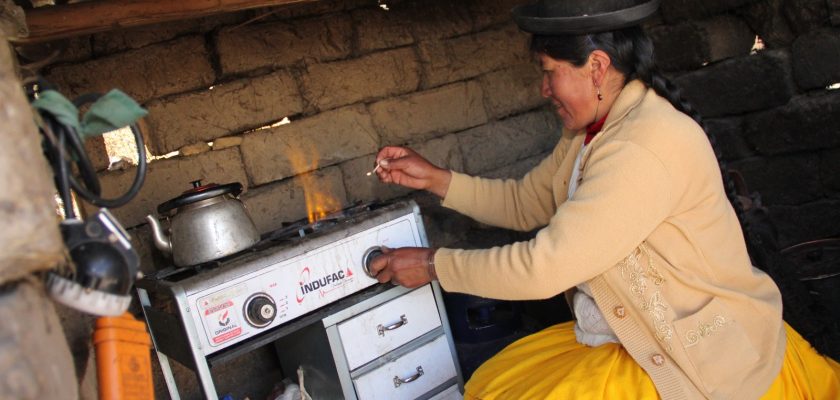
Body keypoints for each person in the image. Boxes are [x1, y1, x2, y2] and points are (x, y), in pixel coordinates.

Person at [368, 0, 840, 398]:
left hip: (695, 356)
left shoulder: (640, 146)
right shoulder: (594, 132)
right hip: (629, 336)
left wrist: (433, 265)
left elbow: (545, 268)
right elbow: (526, 202)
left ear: (596, 66)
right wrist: (435, 179)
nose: (544, 89)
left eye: (550, 73)